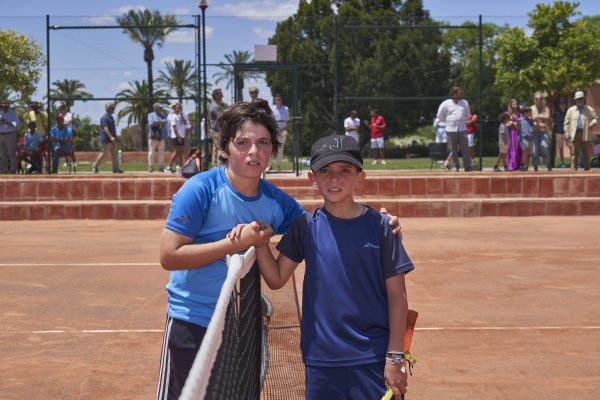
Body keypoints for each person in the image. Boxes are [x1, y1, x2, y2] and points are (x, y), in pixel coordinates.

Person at [156, 101, 403, 400]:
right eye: (242, 142)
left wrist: (381, 223)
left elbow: (327, 222)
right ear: (224, 148)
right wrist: (235, 243)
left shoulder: (280, 204)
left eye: (263, 143)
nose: (253, 152)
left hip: (240, 330)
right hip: (191, 322)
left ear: (272, 150)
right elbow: (169, 256)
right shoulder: (199, 190)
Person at [253, 134, 414, 399]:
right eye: (325, 171)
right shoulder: (304, 226)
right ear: (312, 178)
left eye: (345, 171)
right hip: (321, 360)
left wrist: (394, 358)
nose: (334, 179)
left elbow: (398, 296)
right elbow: (276, 277)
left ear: (360, 178)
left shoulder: (382, 228)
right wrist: (260, 244)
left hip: (372, 358)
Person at [435, 86, 472, 172]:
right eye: (459, 93)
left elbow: (468, 115)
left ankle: (468, 166)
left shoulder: (464, 103)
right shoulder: (445, 103)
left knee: (465, 149)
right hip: (450, 129)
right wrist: (447, 121)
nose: (461, 94)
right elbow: (440, 115)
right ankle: (456, 167)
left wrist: (462, 120)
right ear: (454, 94)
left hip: (462, 129)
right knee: (453, 150)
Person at [564, 90, 598, 171]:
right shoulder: (571, 110)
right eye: (578, 99)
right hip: (574, 134)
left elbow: (595, 118)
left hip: (585, 133)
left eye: (581, 99)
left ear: (584, 99)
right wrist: (566, 132)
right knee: (574, 153)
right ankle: (574, 169)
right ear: (575, 100)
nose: (580, 100)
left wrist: (593, 123)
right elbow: (566, 123)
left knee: (586, 153)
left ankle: (587, 170)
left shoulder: (589, 109)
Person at [92, 102, 123, 173]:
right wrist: (111, 137)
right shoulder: (104, 118)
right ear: (108, 109)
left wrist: (114, 138)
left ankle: (116, 169)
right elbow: (105, 128)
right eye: (112, 108)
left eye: (114, 108)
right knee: (104, 154)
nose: (113, 110)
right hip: (107, 139)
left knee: (115, 154)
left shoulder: (111, 118)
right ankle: (95, 166)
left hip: (113, 139)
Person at [166, 102, 190, 174]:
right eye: (177, 108)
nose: (178, 109)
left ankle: (180, 167)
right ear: (174, 109)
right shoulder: (173, 117)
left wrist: (182, 116)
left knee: (180, 152)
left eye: (179, 108)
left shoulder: (180, 116)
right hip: (176, 136)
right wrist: (178, 136)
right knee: (176, 152)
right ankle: (169, 167)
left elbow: (186, 123)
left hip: (181, 136)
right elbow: (174, 128)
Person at [531, 92, 552, 171]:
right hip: (534, 132)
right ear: (534, 100)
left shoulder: (546, 108)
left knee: (544, 147)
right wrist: (539, 121)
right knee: (534, 150)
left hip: (543, 131)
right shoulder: (531, 108)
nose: (538, 100)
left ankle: (548, 165)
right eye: (537, 99)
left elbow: (547, 116)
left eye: (540, 98)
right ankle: (535, 167)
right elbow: (530, 119)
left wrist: (537, 117)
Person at [0, 98, 19, 174]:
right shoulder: (0, 113)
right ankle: (3, 169)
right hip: (1, 135)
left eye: (5, 105)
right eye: (2, 106)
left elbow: (16, 124)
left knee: (11, 153)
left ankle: (13, 169)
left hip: (10, 135)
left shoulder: (13, 113)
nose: (4, 107)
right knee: (3, 153)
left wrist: (9, 122)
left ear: (8, 106)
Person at [147, 103, 168, 172]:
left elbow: (166, 121)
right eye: (159, 108)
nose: (160, 109)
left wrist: (158, 121)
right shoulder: (151, 115)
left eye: (161, 108)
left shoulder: (163, 115)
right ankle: (150, 167)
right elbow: (151, 123)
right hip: (153, 137)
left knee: (161, 153)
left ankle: (161, 167)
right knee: (151, 152)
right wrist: (158, 122)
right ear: (155, 108)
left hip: (161, 137)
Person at [270, 94, 289, 171]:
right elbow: (271, 120)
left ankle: (278, 166)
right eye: (276, 99)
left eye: (279, 99)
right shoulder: (272, 109)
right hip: (275, 131)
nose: (277, 101)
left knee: (280, 149)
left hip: (283, 130)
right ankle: (269, 165)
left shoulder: (285, 109)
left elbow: (287, 120)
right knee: (272, 148)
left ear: (281, 101)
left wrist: (286, 129)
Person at [552, 98, 570, 168]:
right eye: (561, 104)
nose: (562, 105)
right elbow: (553, 121)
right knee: (560, 148)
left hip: (567, 132)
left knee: (571, 146)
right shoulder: (556, 113)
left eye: (564, 104)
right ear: (559, 105)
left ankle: (573, 161)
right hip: (559, 132)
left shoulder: (568, 112)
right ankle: (562, 163)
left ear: (566, 105)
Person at [505, 99, 522, 171]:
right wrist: (513, 123)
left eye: (516, 104)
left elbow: (520, 123)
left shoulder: (520, 114)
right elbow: (506, 124)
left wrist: (513, 123)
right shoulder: (507, 114)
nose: (515, 105)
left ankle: (518, 165)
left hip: (519, 133)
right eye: (514, 104)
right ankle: (511, 165)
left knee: (519, 148)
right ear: (511, 105)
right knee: (512, 149)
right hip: (511, 134)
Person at [209, 88, 224, 167]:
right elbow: (220, 117)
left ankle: (214, 166)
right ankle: (219, 165)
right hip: (217, 130)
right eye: (220, 94)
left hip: (215, 130)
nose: (222, 96)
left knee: (215, 148)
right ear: (216, 96)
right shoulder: (215, 106)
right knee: (220, 148)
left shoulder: (216, 105)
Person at [58, 103, 76, 167]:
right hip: (62, 133)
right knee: (63, 147)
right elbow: (58, 123)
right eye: (60, 110)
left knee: (71, 147)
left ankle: (74, 162)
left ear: (64, 109)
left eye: (61, 109)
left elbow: (69, 122)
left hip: (69, 133)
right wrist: (63, 123)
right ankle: (66, 162)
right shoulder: (60, 115)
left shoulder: (69, 114)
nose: (60, 111)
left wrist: (62, 123)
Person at [519, 106, 534, 171]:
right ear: (524, 113)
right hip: (523, 138)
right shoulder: (521, 120)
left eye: (530, 112)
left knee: (529, 153)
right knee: (526, 150)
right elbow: (517, 127)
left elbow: (533, 126)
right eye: (529, 112)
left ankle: (526, 167)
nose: (530, 113)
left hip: (530, 138)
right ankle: (522, 165)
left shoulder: (531, 120)